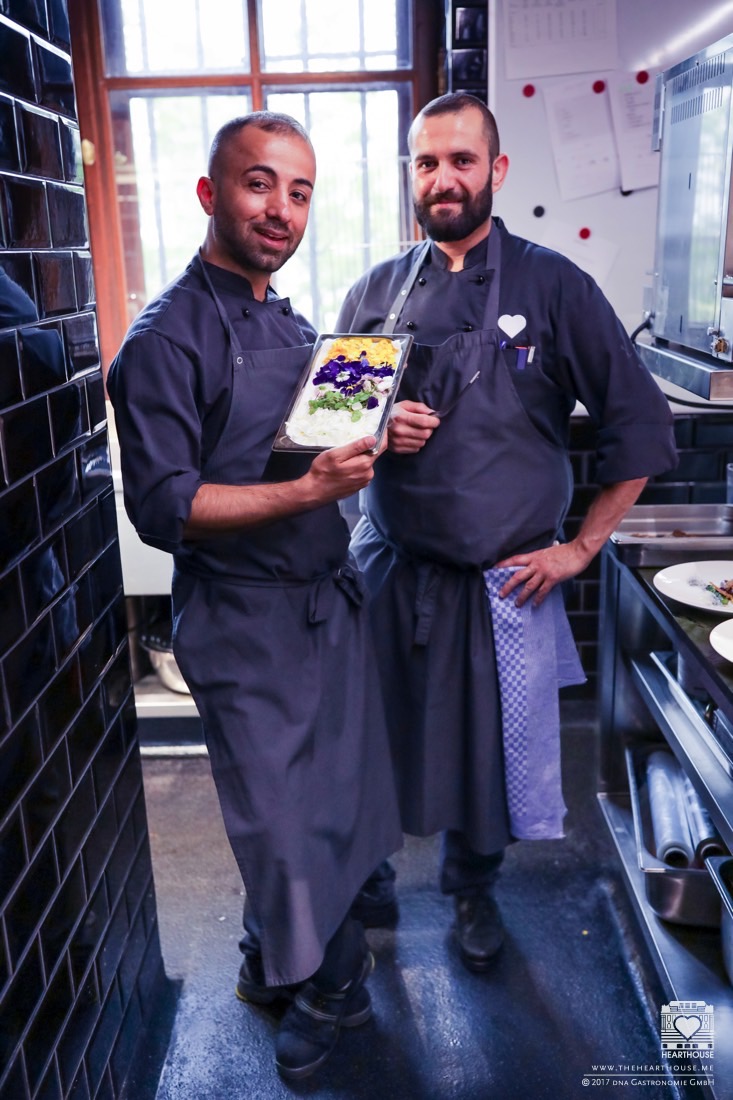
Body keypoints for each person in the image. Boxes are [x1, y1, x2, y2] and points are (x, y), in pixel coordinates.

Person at [338, 93, 678, 972]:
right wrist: (376, 427)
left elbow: (637, 422)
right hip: (388, 568)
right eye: (426, 162)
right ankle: (367, 877)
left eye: (461, 160)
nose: (442, 178)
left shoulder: (554, 286)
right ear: (411, 174)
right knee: (367, 737)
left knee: (486, 757)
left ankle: (473, 891)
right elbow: (329, 425)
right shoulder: (374, 290)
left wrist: (579, 548)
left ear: (495, 170)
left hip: (503, 580)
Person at [106, 111, 403, 1080]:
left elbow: (320, 432)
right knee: (280, 819)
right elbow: (167, 507)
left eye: (300, 191)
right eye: (259, 183)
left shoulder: (289, 320)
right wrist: (309, 492)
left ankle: (269, 954)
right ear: (210, 193)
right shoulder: (163, 341)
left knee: (335, 800)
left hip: (324, 600)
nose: (281, 208)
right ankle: (335, 987)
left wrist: (383, 428)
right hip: (242, 619)